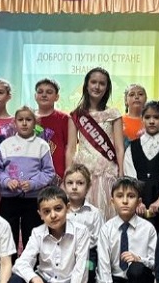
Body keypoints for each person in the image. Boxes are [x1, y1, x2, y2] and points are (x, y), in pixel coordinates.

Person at [97, 177, 157, 283]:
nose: (125, 201)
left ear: (139, 202)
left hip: (141, 278)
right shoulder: (106, 229)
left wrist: (139, 259)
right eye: (119, 196)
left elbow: (155, 263)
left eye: (131, 196)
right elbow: (103, 268)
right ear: (112, 201)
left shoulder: (148, 229)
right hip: (119, 281)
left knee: (136, 269)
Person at [67, 67, 125, 220]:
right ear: (86, 85)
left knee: (107, 215)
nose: (97, 87)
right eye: (93, 82)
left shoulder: (114, 114)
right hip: (83, 172)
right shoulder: (76, 115)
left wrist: (121, 173)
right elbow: (71, 148)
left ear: (107, 88)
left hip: (107, 173)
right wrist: (68, 175)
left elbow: (119, 147)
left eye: (102, 83)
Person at [0, 105, 56, 253]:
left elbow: (49, 172)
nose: (24, 123)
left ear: (35, 122)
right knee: (8, 236)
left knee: (32, 236)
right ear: (14, 122)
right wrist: (7, 181)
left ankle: (32, 265)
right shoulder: (5, 145)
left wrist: (33, 184)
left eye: (28, 120)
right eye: (20, 120)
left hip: (33, 200)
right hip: (9, 200)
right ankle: (9, 265)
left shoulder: (42, 145)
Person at [63, 163, 104, 283]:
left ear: (88, 187)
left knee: (89, 271)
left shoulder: (94, 213)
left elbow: (100, 241)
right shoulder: (61, 211)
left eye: (80, 183)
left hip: (88, 254)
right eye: (70, 183)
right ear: (64, 185)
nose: (74, 187)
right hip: (66, 253)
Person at [123, 100, 159, 231]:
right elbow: (130, 175)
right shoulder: (132, 147)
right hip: (138, 202)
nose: (152, 121)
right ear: (142, 119)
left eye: (156, 117)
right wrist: (137, 201)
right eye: (147, 117)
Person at [34, 78, 70, 180]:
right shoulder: (27, 118)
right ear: (35, 96)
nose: (44, 95)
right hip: (32, 176)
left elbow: (70, 149)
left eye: (49, 92)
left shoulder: (65, 119)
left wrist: (68, 176)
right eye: (40, 92)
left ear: (57, 97)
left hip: (57, 176)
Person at [122, 83, 147, 148]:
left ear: (146, 99)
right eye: (132, 94)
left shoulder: (151, 120)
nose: (136, 97)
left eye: (140, 94)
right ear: (125, 100)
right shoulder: (119, 121)